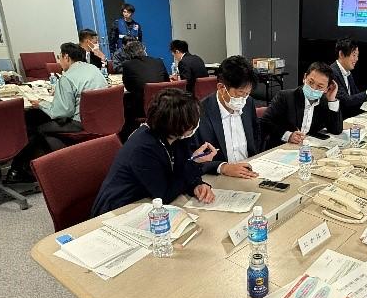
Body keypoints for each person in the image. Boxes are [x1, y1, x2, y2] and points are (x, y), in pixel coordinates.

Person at [91, 88, 215, 216]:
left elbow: (180, 170)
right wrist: (194, 164)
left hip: (147, 201)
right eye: (193, 119)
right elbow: (165, 195)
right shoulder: (143, 148)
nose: (197, 122)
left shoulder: (176, 137)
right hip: (119, 210)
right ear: (178, 124)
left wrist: (196, 185)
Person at [7, 42, 108, 182]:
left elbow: (62, 112)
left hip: (80, 123)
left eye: (59, 57)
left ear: (66, 57)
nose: (59, 61)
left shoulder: (67, 77)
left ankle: (19, 171)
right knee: (41, 123)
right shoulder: (93, 69)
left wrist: (40, 104)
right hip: (100, 119)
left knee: (34, 126)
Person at [191, 55, 260, 178]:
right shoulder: (199, 112)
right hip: (219, 178)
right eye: (239, 93)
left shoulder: (248, 103)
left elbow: (256, 136)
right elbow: (193, 158)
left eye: (247, 94)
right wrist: (223, 167)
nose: (243, 99)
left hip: (250, 172)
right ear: (221, 88)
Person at [260, 62, 343, 150]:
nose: (313, 88)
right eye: (311, 82)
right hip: (281, 148)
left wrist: (332, 100)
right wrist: (288, 135)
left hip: (308, 148)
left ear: (327, 88)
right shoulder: (285, 97)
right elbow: (265, 122)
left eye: (320, 86)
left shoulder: (324, 102)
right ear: (304, 77)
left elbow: (336, 130)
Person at [121, 40, 169, 124]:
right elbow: (167, 81)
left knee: (126, 100)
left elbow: (128, 87)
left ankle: (130, 129)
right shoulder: (158, 61)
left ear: (128, 54)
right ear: (144, 49)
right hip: (163, 103)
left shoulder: (127, 65)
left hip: (141, 107)